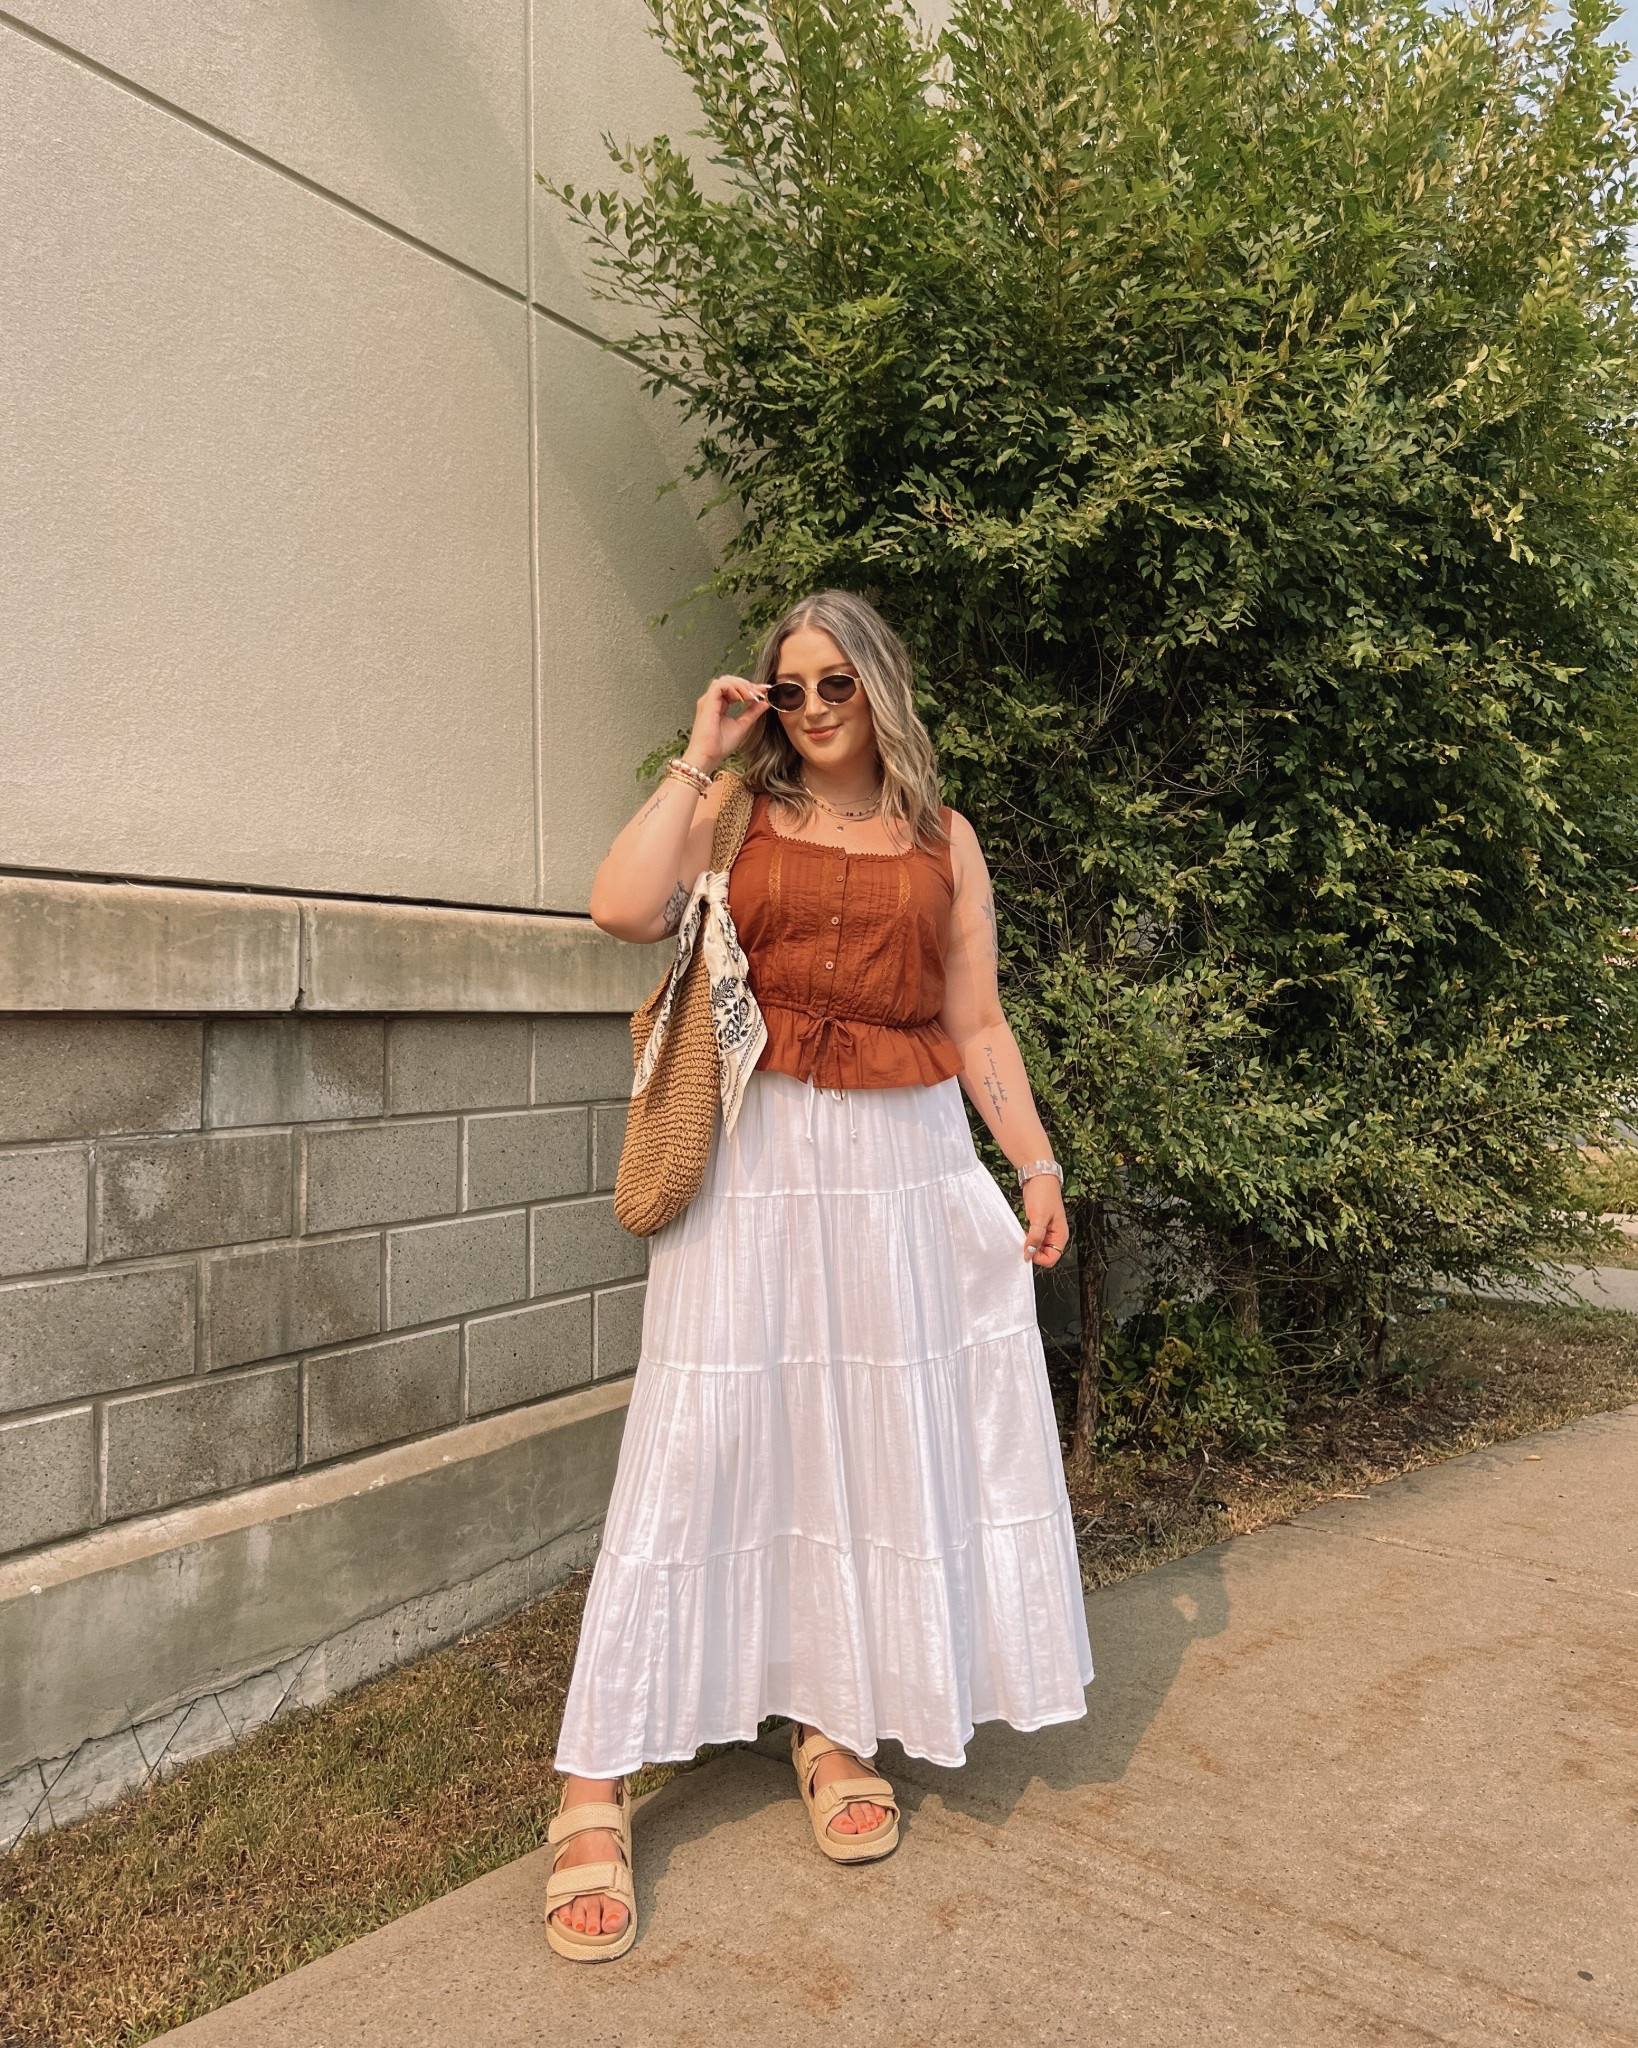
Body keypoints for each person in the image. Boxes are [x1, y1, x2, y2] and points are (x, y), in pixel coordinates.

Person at [542, 590, 1094, 1961]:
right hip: (758, 1146)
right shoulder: (734, 811)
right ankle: (592, 1778)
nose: (812, 706)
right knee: (697, 1437)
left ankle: (833, 1722)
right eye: (789, 687)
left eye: (833, 681)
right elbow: (620, 908)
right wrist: (701, 751)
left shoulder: (940, 838)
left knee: (865, 1445)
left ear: (879, 686)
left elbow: (974, 1019)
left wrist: (1032, 1165)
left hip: (904, 1166)